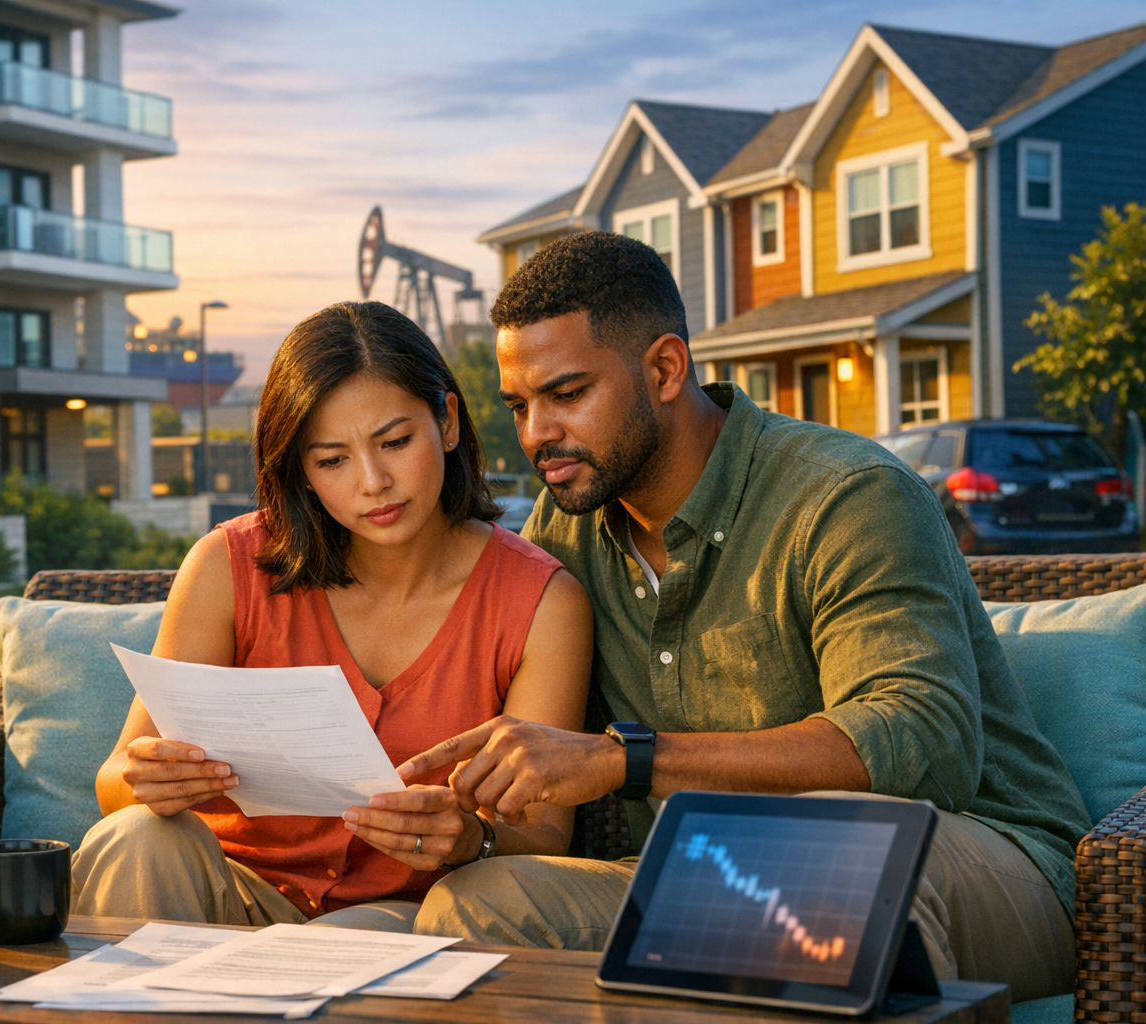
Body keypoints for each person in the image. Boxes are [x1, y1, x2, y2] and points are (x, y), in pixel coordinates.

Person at [402, 231, 1090, 1001]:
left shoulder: (847, 495)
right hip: (703, 875)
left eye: (567, 395)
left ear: (665, 369)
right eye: (520, 406)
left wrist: (622, 758)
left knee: (820, 854)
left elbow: (922, 744)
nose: (537, 435)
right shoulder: (565, 532)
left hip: (983, 860)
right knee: (479, 904)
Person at [73, 300, 592, 932]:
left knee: (356, 937)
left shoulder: (541, 602)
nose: (373, 481)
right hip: (221, 895)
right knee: (136, 838)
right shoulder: (225, 567)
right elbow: (116, 782)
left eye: (395, 442)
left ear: (448, 421)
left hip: (396, 916)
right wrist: (148, 781)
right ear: (301, 470)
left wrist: (469, 839)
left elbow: (540, 835)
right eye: (332, 460)